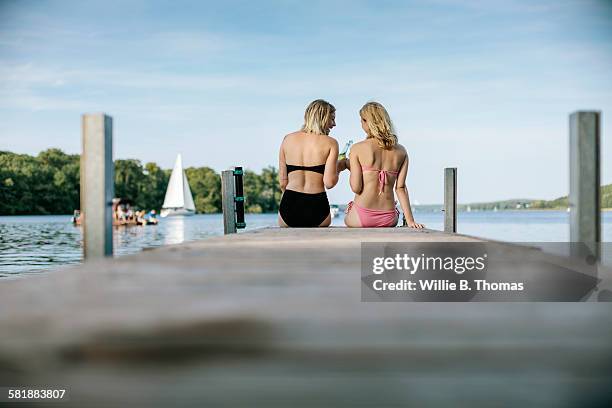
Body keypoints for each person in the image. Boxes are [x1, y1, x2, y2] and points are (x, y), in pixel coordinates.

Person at [340, 101, 424, 229]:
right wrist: (411, 221)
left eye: (362, 121)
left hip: (361, 217)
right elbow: (400, 188)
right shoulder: (401, 151)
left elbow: (356, 188)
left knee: (349, 213)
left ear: (368, 122)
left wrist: (347, 165)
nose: (361, 124)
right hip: (388, 217)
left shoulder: (357, 148)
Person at [278, 99, 340, 227]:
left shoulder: (287, 139)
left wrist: (290, 203)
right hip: (318, 208)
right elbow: (329, 183)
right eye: (332, 119)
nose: (334, 124)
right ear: (322, 118)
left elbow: (283, 182)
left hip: (289, 207)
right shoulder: (331, 143)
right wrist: (340, 167)